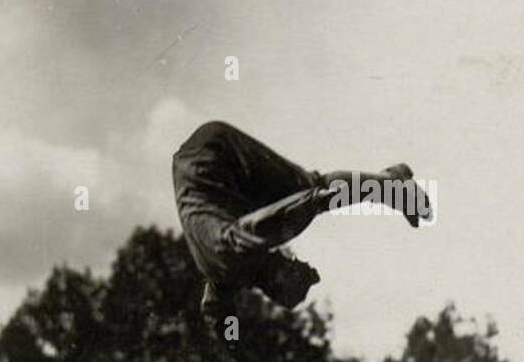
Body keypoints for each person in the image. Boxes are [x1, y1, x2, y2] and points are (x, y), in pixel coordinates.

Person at [172, 121, 431, 325]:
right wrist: (235, 352)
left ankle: (391, 182)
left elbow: (295, 208)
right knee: (286, 195)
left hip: (216, 153)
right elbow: (213, 312)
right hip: (200, 169)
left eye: (293, 265)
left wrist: (323, 198)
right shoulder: (223, 278)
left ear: (277, 275)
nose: (291, 257)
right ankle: (386, 186)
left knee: (308, 186)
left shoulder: (242, 247)